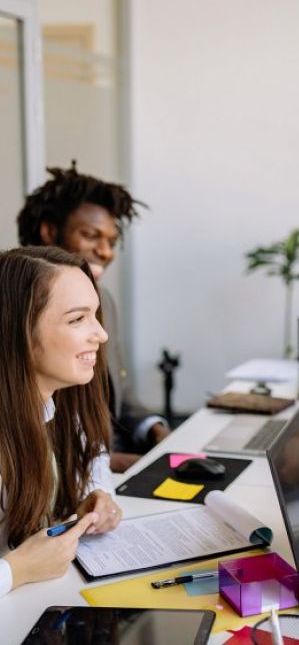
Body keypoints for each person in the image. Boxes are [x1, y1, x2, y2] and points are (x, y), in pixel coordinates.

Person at [16, 163, 170, 472]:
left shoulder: (105, 300)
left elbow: (121, 394)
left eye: (112, 242)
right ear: (49, 231)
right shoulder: (14, 304)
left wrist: (158, 434)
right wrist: (100, 465)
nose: (105, 251)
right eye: (91, 235)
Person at [0, 246, 122, 597]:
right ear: (16, 332)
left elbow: (97, 476)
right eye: (76, 319)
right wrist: (17, 570)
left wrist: (98, 501)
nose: (101, 335)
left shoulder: (63, 404)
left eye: (95, 316)